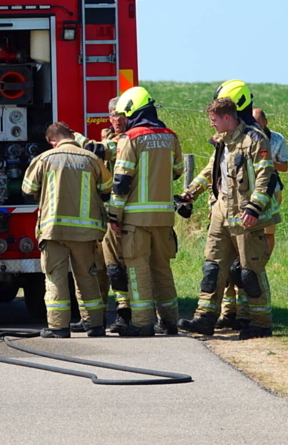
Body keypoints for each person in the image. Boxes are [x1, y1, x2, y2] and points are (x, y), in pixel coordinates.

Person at [177, 98, 280, 340]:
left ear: (227, 117)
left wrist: (254, 208)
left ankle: (261, 324)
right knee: (212, 268)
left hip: (245, 214)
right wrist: (189, 193)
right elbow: (210, 172)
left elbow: (266, 176)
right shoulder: (222, 142)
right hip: (221, 210)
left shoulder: (254, 140)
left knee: (249, 273)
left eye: (214, 120)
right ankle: (205, 318)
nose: (211, 125)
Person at [22, 122, 113, 338]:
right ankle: (95, 325)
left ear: (52, 141)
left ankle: (58, 327)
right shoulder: (92, 159)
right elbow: (107, 190)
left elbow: (28, 190)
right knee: (87, 277)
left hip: (54, 231)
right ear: (72, 136)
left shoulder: (44, 159)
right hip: (85, 233)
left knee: (56, 278)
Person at [107, 86, 184, 337]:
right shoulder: (171, 136)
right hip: (163, 217)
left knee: (137, 269)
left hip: (136, 220)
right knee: (162, 269)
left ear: (132, 111)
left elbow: (121, 181)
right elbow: (178, 170)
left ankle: (142, 323)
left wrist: (114, 215)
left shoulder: (131, 138)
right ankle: (170, 321)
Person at [69, 97, 129, 333]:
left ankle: (125, 312)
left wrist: (78, 138)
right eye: (114, 114)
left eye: (122, 115)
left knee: (119, 266)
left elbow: (97, 150)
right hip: (102, 215)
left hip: (123, 215)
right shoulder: (109, 138)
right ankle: (97, 317)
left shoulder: (128, 141)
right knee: (100, 267)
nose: (118, 119)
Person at [253, 107, 288, 256]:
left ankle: (262, 265)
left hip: (272, 188)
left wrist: (267, 162)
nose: (255, 128)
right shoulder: (245, 137)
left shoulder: (277, 139)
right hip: (249, 189)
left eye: (258, 124)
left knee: (268, 230)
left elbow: (284, 167)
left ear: (266, 122)